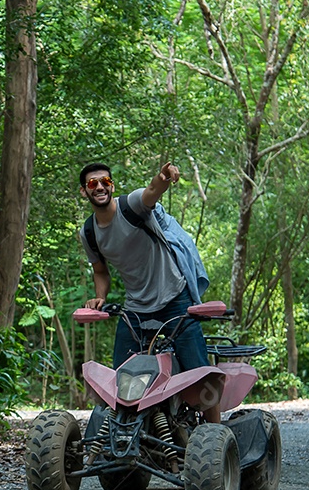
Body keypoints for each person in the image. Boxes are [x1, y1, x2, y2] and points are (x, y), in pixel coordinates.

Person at [77, 161, 220, 423]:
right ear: (84, 191)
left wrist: (163, 177)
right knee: (121, 380)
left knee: (200, 374)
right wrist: (100, 297)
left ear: (112, 186)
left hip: (175, 297)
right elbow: (100, 270)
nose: (99, 187)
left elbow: (152, 191)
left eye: (105, 181)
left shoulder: (131, 205)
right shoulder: (89, 232)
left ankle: (216, 433)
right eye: (92, 183)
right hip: (136, 308)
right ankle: (130, 436)